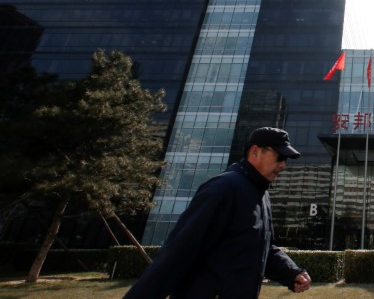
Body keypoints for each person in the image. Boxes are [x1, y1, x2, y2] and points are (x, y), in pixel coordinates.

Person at [125, 127, 312, 298]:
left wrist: (291, 272)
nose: (283, 165)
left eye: (285, 160)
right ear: (255, 151)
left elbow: (260, 247)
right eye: (279, 157)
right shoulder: (224, 188)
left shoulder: (262, 196)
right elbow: (178, 252)